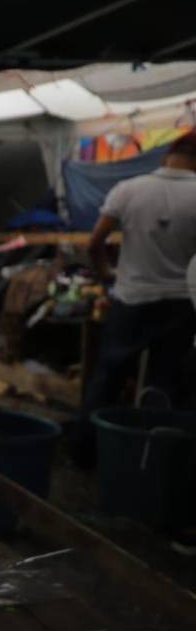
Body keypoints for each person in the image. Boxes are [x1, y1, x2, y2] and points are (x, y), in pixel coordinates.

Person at [80, 132, 196, 464]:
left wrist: (106, 275)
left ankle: (85, 453)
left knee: (108, 377)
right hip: (180, 304)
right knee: (163, 384)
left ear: (167, 155)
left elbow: (94, 243)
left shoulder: (129, 189)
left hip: (132, 298)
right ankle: (154, 460)